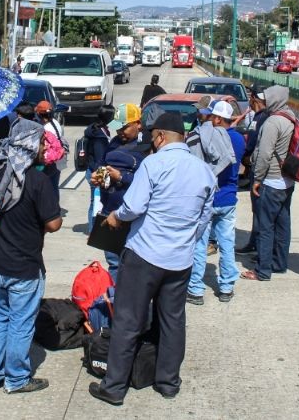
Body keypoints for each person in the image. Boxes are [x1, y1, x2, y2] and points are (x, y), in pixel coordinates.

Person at [89, 113, 216, 406]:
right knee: (173, 321)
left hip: (145, 254)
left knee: (128, 320)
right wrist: (186, 242)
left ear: (159, 137)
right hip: (180, 261)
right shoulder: (204, 170)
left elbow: (133, 205)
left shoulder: (154, 163)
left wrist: (115, 217)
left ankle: (114, 387)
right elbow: (204, 216)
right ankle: (168, 381)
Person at [0, 119, 62, 394]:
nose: (46, 146)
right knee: (20, 323)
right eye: (43, 141)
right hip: (23, 267)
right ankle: (17, 379)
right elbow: (54, 223)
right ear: (31, 145)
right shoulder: (36, 180)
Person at [187, 100, 245, 303]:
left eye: (212, 116)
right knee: (227, 244)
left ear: (218, 118)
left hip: (208, 199)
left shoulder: (207, 137)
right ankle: (227, 287)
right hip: (229, 198)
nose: (209, 119)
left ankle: (195, 289)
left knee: (200, 244)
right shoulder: (239, 139)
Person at [242, 85, 297, 283]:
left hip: (271, 180)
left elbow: (264, 154)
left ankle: (262, 270)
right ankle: (279, 263)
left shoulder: (273, 122)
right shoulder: (291, 117)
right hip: (287, 180)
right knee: (283, 224)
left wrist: (257, 179)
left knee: (265, 227)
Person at [94, 103, 144, 280]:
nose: (120, 132)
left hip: (132, 216)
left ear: (138, 123)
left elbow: (149, 183)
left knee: (131, 265)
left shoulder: (146, 148)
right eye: (117, 128)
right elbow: (102, 165)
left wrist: (121, 177)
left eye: (124, 127)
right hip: (109, 211)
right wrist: (99, 177)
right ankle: (115, 302)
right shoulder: (114, 142)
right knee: (113, 262)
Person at [237, 85, 269, 255]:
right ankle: (255, 242)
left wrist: (248, 157)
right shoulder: (262, 116)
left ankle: (258, 246)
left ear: (256, 98)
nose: (249, 98)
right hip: (256, 167)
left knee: (259, 209)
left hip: (259, 168)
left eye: (251, 95)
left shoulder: (262, 118)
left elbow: (256, 143)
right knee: (257, 209)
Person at [83, 105, 116, 234]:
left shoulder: (94, 129)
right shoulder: (99, 136)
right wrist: (102, 179)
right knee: (96, 202)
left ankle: (93, 230)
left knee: (94, 202)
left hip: (92, 170)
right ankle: (93, 231)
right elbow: (99, 160)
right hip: (96, 172)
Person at [36, 101, 67, 195]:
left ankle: (50, 207)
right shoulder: (55, 123)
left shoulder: (45, 128)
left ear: (39, 114)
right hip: (59, 157)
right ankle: (55, 207)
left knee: (47, 188)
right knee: (54, 186)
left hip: (50, 160)